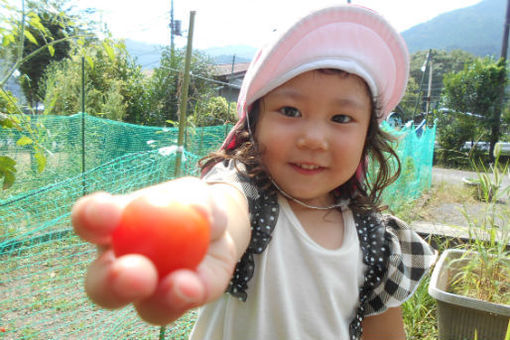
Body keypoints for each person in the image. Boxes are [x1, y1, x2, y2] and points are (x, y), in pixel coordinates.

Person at [71, 4, 437, 339]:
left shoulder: (376, 241)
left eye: (341, 118)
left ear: (367, 136)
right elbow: (224, 209)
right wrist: (198, 217)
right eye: (290, 111)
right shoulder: (246, 197)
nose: (313, 138)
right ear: (254, 123)